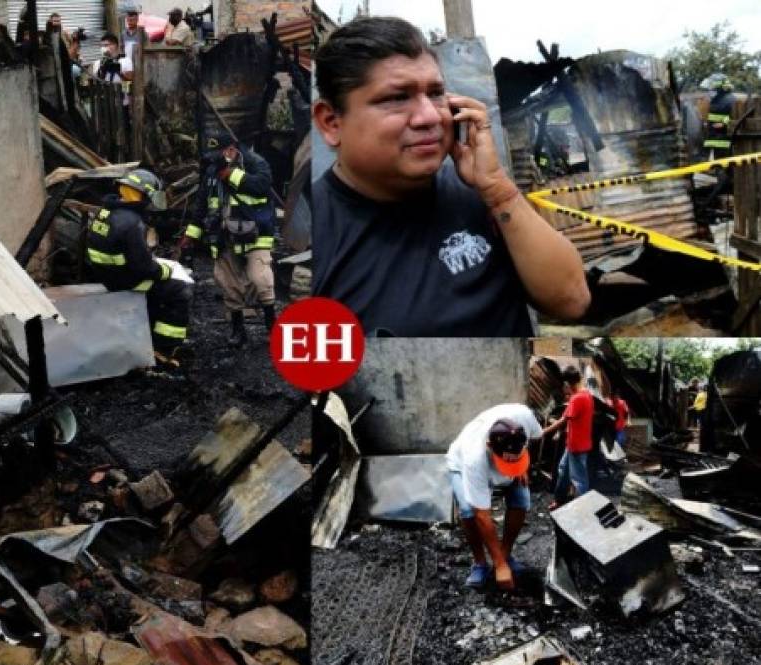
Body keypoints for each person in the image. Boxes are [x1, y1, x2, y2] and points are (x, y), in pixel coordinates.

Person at [310, 16, 590, 337]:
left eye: (436, 93)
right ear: (331, 122)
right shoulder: (318, 238)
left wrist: (498, 190)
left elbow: (572, 300)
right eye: (397, 98)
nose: (430, 116)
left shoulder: (479, 191)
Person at [86, 170, 192, 368]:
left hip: (106, 275)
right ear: (143, 193)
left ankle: (150, 334)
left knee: (158, 288)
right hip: (125, 280)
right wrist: (165, 271)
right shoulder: (132, 222)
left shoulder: (105, 211)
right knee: (179, 290)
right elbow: (144, 268)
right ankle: (164, 347)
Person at [185, 135, 278, 346]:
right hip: (224, 235)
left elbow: (262, 185)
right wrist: (192, 234)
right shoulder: (211, 172)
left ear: (231, 150)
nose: (214, 160)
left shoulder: (254, 162)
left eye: (218, 155)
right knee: (227, 283)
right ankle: (238, 330)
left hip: (255, 232)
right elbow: (201, 204)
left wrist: (232, 175)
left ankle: (272, 325)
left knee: (261, 278)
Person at [445, 404, 542, 590]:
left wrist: (524, 465)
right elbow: (482, 514)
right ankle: (480, 564)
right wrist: (499, 567)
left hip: (511, 455)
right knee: (468, 511)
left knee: (521, 499)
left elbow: (538, 437)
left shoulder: (524, 417)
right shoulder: (475, 458)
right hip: (460, 464)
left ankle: (505, 554)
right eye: (508, 461)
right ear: (490, 446)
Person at [543, 365, 594, 508]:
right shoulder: (587, 395)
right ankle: (559, 500)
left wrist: (544, 432)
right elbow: (572, 419)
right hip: (575, 444)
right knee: (563, 470)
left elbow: (563, 420)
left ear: (567, 383)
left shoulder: (577, 398)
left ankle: (583, 509)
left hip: (577, 446)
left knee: (579, 480)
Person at [702, 74, 736, 159]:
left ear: (720, 88)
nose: (710, 90)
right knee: (718, 164)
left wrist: (724, 122)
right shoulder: (716, 99)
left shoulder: (730, 100)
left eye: (712, 88)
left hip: (724, 140)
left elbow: (736, 116)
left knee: (725, 165)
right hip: (715, 138)